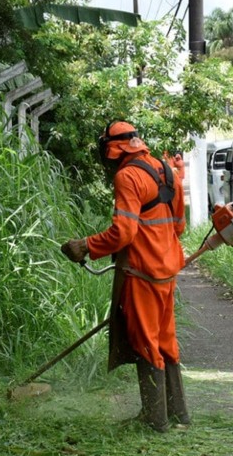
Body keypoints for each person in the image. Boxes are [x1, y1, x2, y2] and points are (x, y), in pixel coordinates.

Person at [61, 120, 188, 432]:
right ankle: (178, 415)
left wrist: (86, 246)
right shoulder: (166, 170)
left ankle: (155, 419)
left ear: (112, 149)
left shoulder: (127, 176)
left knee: (147, 342)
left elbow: (123, 232)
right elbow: (179, 226)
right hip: (167, 270)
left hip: (142, 272)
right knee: (166, 341)